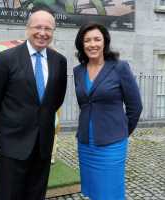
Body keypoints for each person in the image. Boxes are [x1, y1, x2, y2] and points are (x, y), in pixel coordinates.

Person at [0, 6, 67, 200]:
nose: (42, 33)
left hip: (43, 145)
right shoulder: (6, 59)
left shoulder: (59, 61)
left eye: (48, 29)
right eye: (38, 27)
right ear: (27, 29)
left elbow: (56, 100)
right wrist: (6, 127)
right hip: (12, 143)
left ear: (53, 32)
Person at [73, 22, 143, 200]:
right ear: (82, 44)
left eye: (97, 39)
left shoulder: (119, 67)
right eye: (87, 40)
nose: (92, 44)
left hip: (112, 144)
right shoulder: (78, 71)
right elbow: (85, 104)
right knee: (93, 190)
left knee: (110, 192)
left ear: (105, 42)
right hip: (86, 143)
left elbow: (135, 106)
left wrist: (121, 133)